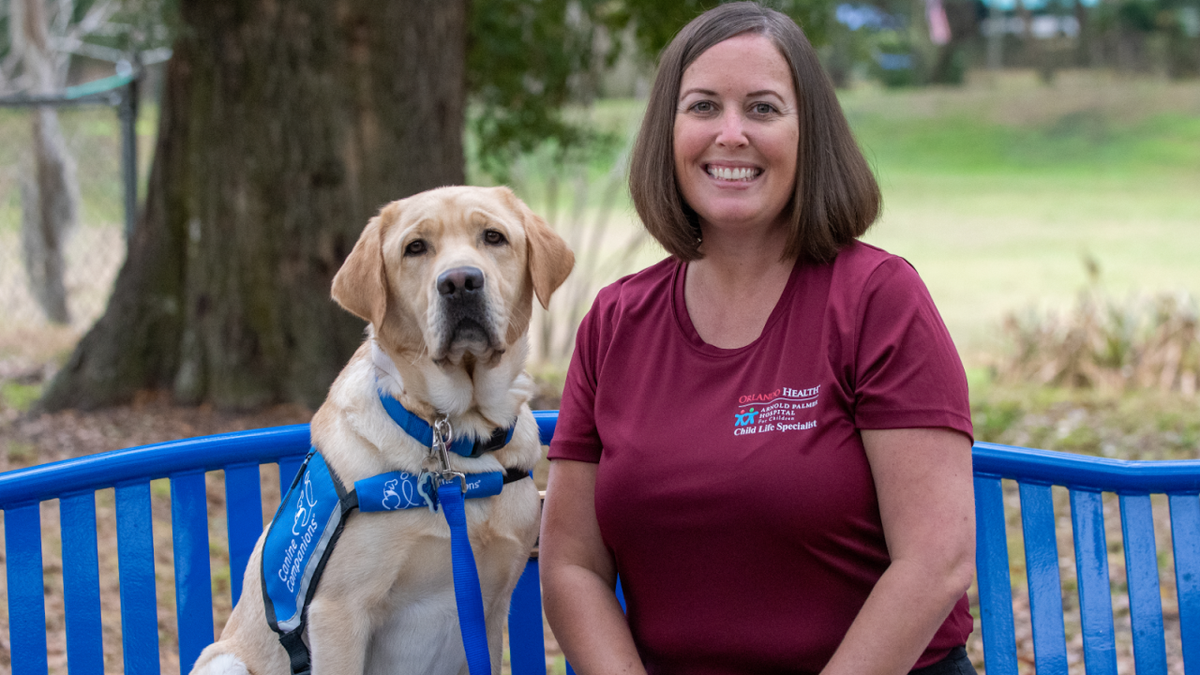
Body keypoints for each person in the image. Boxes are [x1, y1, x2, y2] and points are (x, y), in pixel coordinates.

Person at [539, 3, 977, 675]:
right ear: (668, 130)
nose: (731, 134)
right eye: (704, 106)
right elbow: (572, 563)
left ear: (811, 136)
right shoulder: (616, 321)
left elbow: (935, 560)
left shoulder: (878, 299)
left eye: (764, 108)